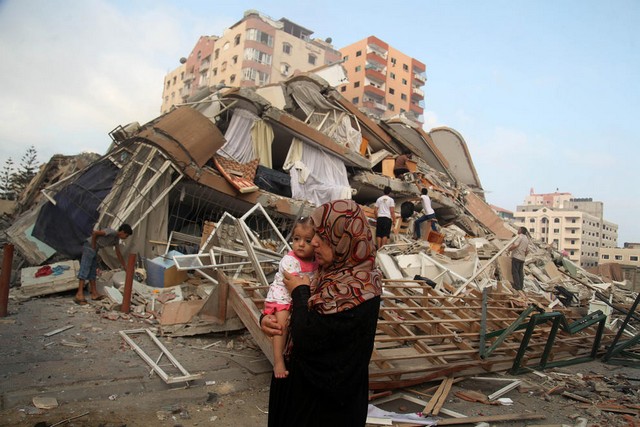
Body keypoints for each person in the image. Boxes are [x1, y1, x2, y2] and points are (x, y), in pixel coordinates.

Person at [260, 199, 382, 427]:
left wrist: (300, 292)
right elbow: (285, 302)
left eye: (323, 237)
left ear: (344, 240)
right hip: (298, 392)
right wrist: (267, 318)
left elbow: (307, 337)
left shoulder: (360, 288)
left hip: (326, 407)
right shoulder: (327, 271)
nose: (314, 242)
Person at [263, 217, 318, 379]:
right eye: (296, 239)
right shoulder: (289, 260)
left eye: (307, 241)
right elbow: (293, 282)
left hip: (301, 296)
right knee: (280, 325)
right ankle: (278, 360)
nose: (301, 244)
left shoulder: (316, 261)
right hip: (283, 296)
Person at [74, 224, 132, 305]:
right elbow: (95, 233)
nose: (126, 237)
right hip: (89, 246)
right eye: (126, 235)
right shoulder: (111, 232)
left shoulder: (116, 239)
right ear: (122, 232)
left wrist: (124, 265)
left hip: (95, 249)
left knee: (92, 271)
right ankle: (79, 294)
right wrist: (93, 246)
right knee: (85, 268)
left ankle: (94, 293)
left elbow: (118, 253)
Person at [507, 226, 530, 291]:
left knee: (515, 272)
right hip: (522, 258)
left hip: (516, 257)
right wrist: (524, 255)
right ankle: (520, 287)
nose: (518, 230)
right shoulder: (526, 239)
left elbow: (516, 245)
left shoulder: (519, 237)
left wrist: (509, 249)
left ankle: (517, 286)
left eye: (519, 229)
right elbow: (527, 250)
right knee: (520, 273)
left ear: (521, 231)